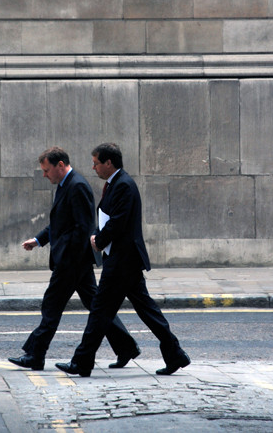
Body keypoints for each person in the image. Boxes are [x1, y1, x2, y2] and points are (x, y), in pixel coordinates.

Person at [56, 142, 190, 377]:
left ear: (109, 163)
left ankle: (82, 362)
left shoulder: (124, 185)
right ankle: (175, 354)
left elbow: (118, 221)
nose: (93, 167)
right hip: (121, 260)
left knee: (99, 311)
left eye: (96, 163)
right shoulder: (115, 184)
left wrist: (98, 239)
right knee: (145, 310)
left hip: (122, 261)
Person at [8, 146, 139, 370]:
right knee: (98, 307)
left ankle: (35, 355)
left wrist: (69, 260)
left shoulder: (76, 186)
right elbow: (60, 224)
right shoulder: (65, 185)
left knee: (52, 305)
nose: (44, 175)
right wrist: (38, 240)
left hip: (72, 261)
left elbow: (83, 228)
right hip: (76, 261)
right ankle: (126, 346)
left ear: (60, 165)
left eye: (46, 170)